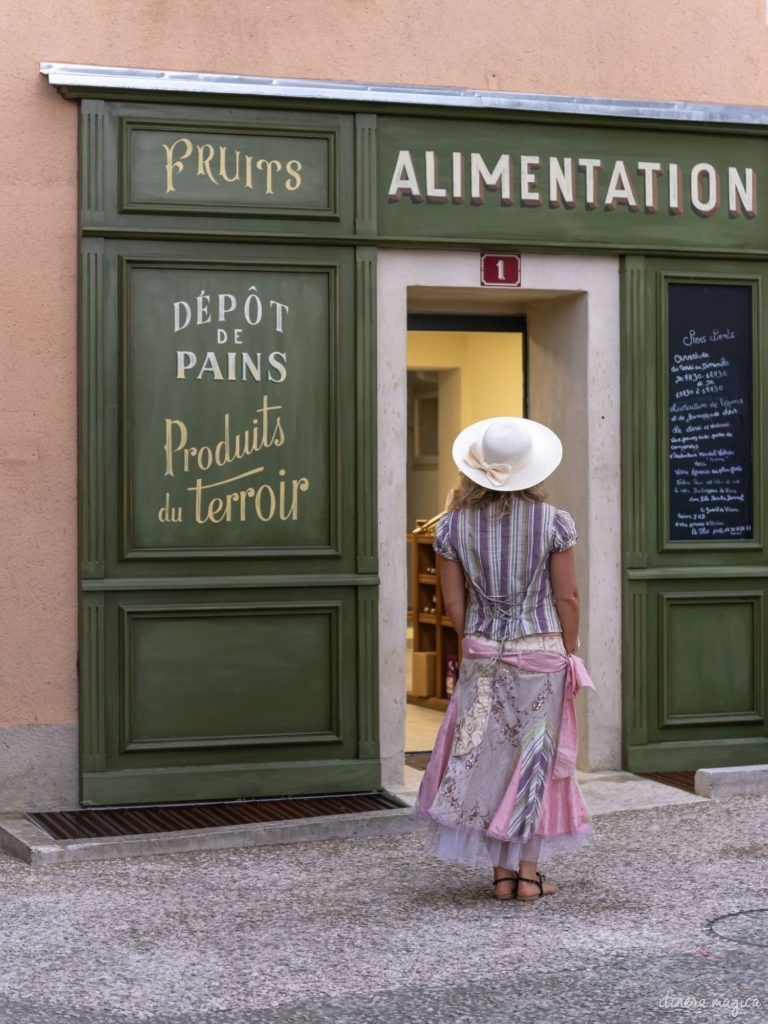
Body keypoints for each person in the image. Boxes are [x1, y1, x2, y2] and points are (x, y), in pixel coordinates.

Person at [414, 416, 595, 902]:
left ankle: (499, 875)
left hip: (481, 653)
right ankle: (529, 875)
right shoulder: (554, 522)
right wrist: (567, 649)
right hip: (541, 653)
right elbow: (569, 597)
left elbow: (455, 604)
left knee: (486, 758)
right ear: (531, 470)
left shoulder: (452, 526)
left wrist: (480, 640)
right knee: (535, 757)